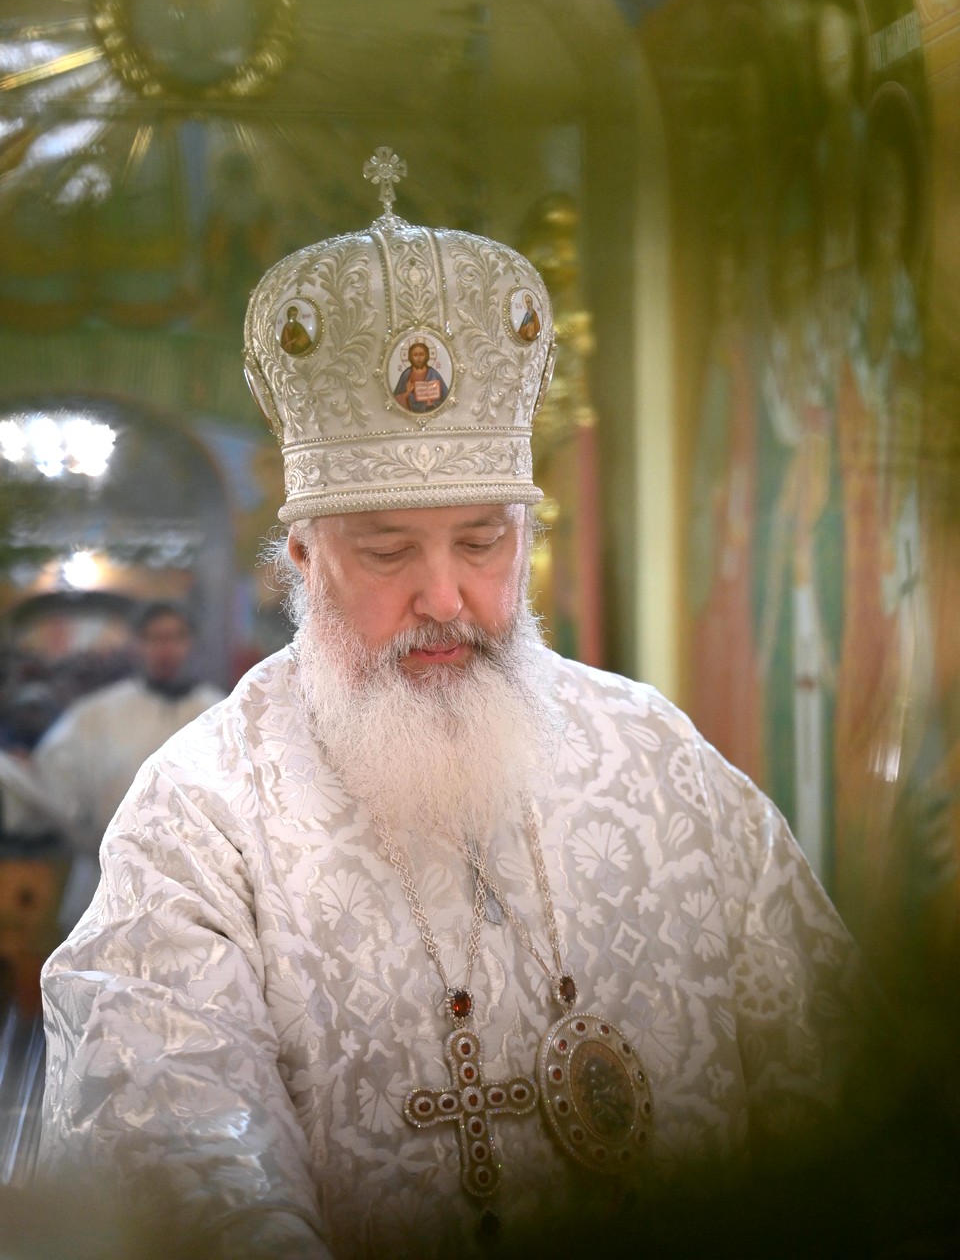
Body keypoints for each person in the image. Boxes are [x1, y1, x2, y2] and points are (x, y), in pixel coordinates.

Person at [39, 154, 868, 1260]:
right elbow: (179, 1159)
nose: (444, 597)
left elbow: (842, 1088)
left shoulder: (658, 757)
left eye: (483, 541)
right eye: (388, 551)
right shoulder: (200, 818)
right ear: (301, 559)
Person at [31, 603, 224, 926]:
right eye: (155, 638)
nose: (166, 648)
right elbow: (54, 774)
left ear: (191, 644)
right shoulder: (98, 714)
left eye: (175, 637)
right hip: (107, 881)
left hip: (194, 889)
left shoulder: (219, 712)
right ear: (138, 646)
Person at [393, 339, 448, 411]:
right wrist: (407, 393)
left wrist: (433, 403)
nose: (418, 358)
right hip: (410, 414)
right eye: (415, 355)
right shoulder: (406, 374)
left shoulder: (433, 373)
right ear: (410, 357)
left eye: (421, 354)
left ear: (426, 356)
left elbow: (446, 397)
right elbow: (394, 400)